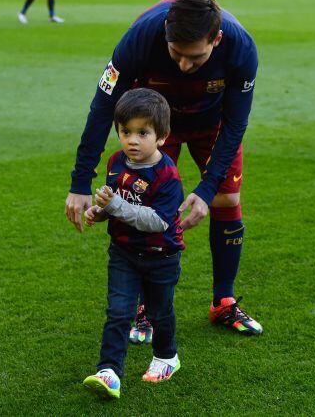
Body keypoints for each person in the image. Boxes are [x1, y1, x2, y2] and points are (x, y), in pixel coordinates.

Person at [65, 0, 263, 340]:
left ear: (216, 40)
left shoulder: (241, 48)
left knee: (227, 200)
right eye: (176, 54)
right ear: (166, 31)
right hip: (153, 127)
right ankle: (144, 308)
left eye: (196, 57)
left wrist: (206, 189)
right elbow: (103, 106)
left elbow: (236, 124)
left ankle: (223, 300)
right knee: (145, 207)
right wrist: (81, 180)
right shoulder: (140, 38)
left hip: (212, 123)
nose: (184, 65)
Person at [82, 88, 185, 400]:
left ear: (162, 136)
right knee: (118, 311)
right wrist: (98, 212)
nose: (132, 140)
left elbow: (157, 221)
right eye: (125, 131)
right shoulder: (116, 162)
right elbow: (115, 202)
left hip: (161, 256)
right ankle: (109, 370)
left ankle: (167, 357)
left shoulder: (167, 175)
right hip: (124, 252)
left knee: (159, 311)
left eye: (143, 132)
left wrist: (113, 207)